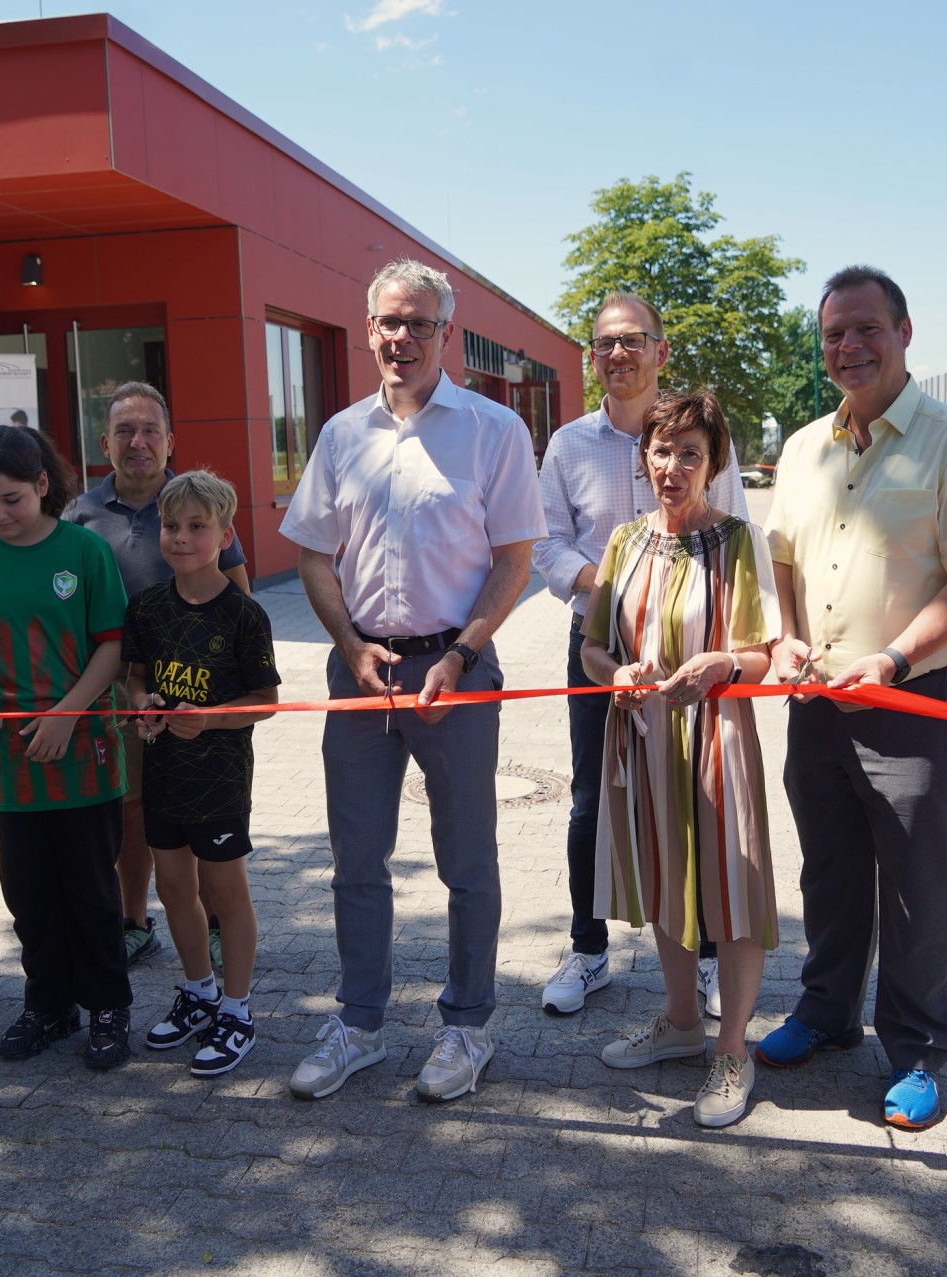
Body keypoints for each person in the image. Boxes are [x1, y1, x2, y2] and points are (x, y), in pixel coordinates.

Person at [757, 265, 947, 1131]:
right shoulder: (803, 447)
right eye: (834, 333)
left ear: (905, 332)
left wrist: (896, 659)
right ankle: (826, 1013)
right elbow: (783, 562)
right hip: (816, 699)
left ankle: (915, 1051)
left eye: (867, 328)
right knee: (829, 870)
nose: (849, 346)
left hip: (915, 700)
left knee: (914, 879)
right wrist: (785, 636)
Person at [280, 258, 545, 1103]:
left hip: (456, 667)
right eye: (390, 323)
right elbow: (314, 554)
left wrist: (463, 654)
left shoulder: (493, 431)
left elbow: (515, 561)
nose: (403, 338)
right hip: (361, 670)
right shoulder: (340, 434)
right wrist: (350, 644)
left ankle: (467, 1027)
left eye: (420, 324)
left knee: (466, 858)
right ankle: (358, 1024)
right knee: (357, 860)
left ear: (446, 335)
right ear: (369, 331)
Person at [533, 290, 749, 1019]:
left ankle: (711, 957)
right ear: (592, 358)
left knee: (703, 797)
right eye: (605, 343)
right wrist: (617, 587)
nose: (618, 353)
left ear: (660, 350)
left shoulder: (705, 439)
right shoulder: (567, 445)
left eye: (634, 340)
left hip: (695, 646)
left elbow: (736, 534)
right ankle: (589, 949)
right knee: (594, 797)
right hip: (600, 644)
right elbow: (545, 543)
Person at [579, 391, 780, 1128]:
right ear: (645, 458)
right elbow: (593, 645)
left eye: (689, 452)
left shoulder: (735, 541)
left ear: (713, 463)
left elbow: (763, 657)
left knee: (733, 883)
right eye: (662, 451)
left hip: (718, 736)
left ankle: (733, 1048)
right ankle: (680, 1022)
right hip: (643, 737)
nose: (673, 465)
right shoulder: (625, 542)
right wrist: (615, 674)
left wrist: (723, 659)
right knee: (664, 875)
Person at [0, 426, 133, 1071]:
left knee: (91, 892)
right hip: (8, 767)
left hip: (84, 753)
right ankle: (48, 1005)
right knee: (28, 894)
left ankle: (108, 1008)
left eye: (12, 500)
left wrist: (65, 715)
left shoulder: (84, 552)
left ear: (43, 486)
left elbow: (112, 644)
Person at [63, 381, 250, 969]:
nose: (137, 442)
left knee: (202, 812)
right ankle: (135, 921)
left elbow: (239, 602)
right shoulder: (79, 515)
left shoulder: (198, 505)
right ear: (105, 442)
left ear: (170, 441)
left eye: (149, 431)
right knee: (133, 811)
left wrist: (226, 694)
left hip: (194, 696)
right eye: (125, 431)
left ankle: (215, 921)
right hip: (117, 694)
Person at [124, 471, 281, 1076]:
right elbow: (137, 676)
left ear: (224, 533)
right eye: (171, 526)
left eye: (196, 527)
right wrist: (142, 706)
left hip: (218, 777)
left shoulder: (243, 614)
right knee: (172, 890)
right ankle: (199, 991)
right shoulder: (148, 608)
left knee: (225, 894)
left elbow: (265, 700)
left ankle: (237, 1010)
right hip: (162, 774)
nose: (181, 538)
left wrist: (209, 720)